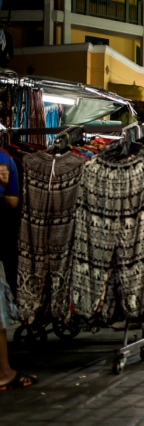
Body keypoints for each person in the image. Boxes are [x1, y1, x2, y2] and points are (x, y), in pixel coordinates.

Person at [0, 154, 37, 391]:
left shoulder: (5, 159)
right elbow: (13, 202)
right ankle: (4, 373)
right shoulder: (4, 159)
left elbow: (13, 201)